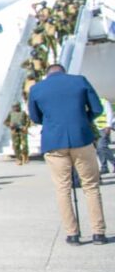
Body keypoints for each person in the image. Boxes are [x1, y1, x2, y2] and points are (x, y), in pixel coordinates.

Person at [28, 65, 107, 245]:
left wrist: (53, 123)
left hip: (54, 142)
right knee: (91, 186)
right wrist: (81, 120)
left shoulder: (36, 88)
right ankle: (98, 233)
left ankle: (72, 234)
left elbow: (35, 117)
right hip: (81, 139)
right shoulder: (79, 81)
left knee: (62, 189)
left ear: (47, 74)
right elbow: (97, 108)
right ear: (63, 71)